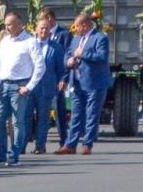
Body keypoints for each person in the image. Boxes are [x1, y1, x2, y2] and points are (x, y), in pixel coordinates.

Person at [0, 9, 43, 167]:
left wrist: (29, 86)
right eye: (6, 25)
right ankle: (0, 154)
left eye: (10, 24)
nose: (7, 28)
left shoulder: (30, 41)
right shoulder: (5, 41)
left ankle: (14, 154)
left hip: (20, 85)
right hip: (3, 84)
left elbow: (40, 66)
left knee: (17, 122)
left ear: (20, 24)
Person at [58, 13, 112, 154]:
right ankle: (70, 145)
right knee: (76, 114)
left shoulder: (100, 38)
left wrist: (83, 54)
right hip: (77, 82)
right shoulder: (75, 39)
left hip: (95, 83)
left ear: (85, 25)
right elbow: (68, 55)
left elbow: (102, 57)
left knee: (91, 114)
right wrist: (68, 61)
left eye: (77, 26)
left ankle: (87, 144)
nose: (75, 29)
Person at [29, 14, 69, 153]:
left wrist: (62, 80)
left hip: (46, 87)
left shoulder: (56, 48)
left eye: (46, 28)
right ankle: (20, 146)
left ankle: (40, 146)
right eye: (41, 28)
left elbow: (61, 68)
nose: (44, 31)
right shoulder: (28, 44)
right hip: (28, 87)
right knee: (25, 118)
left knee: (43, 118)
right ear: (36, 29)